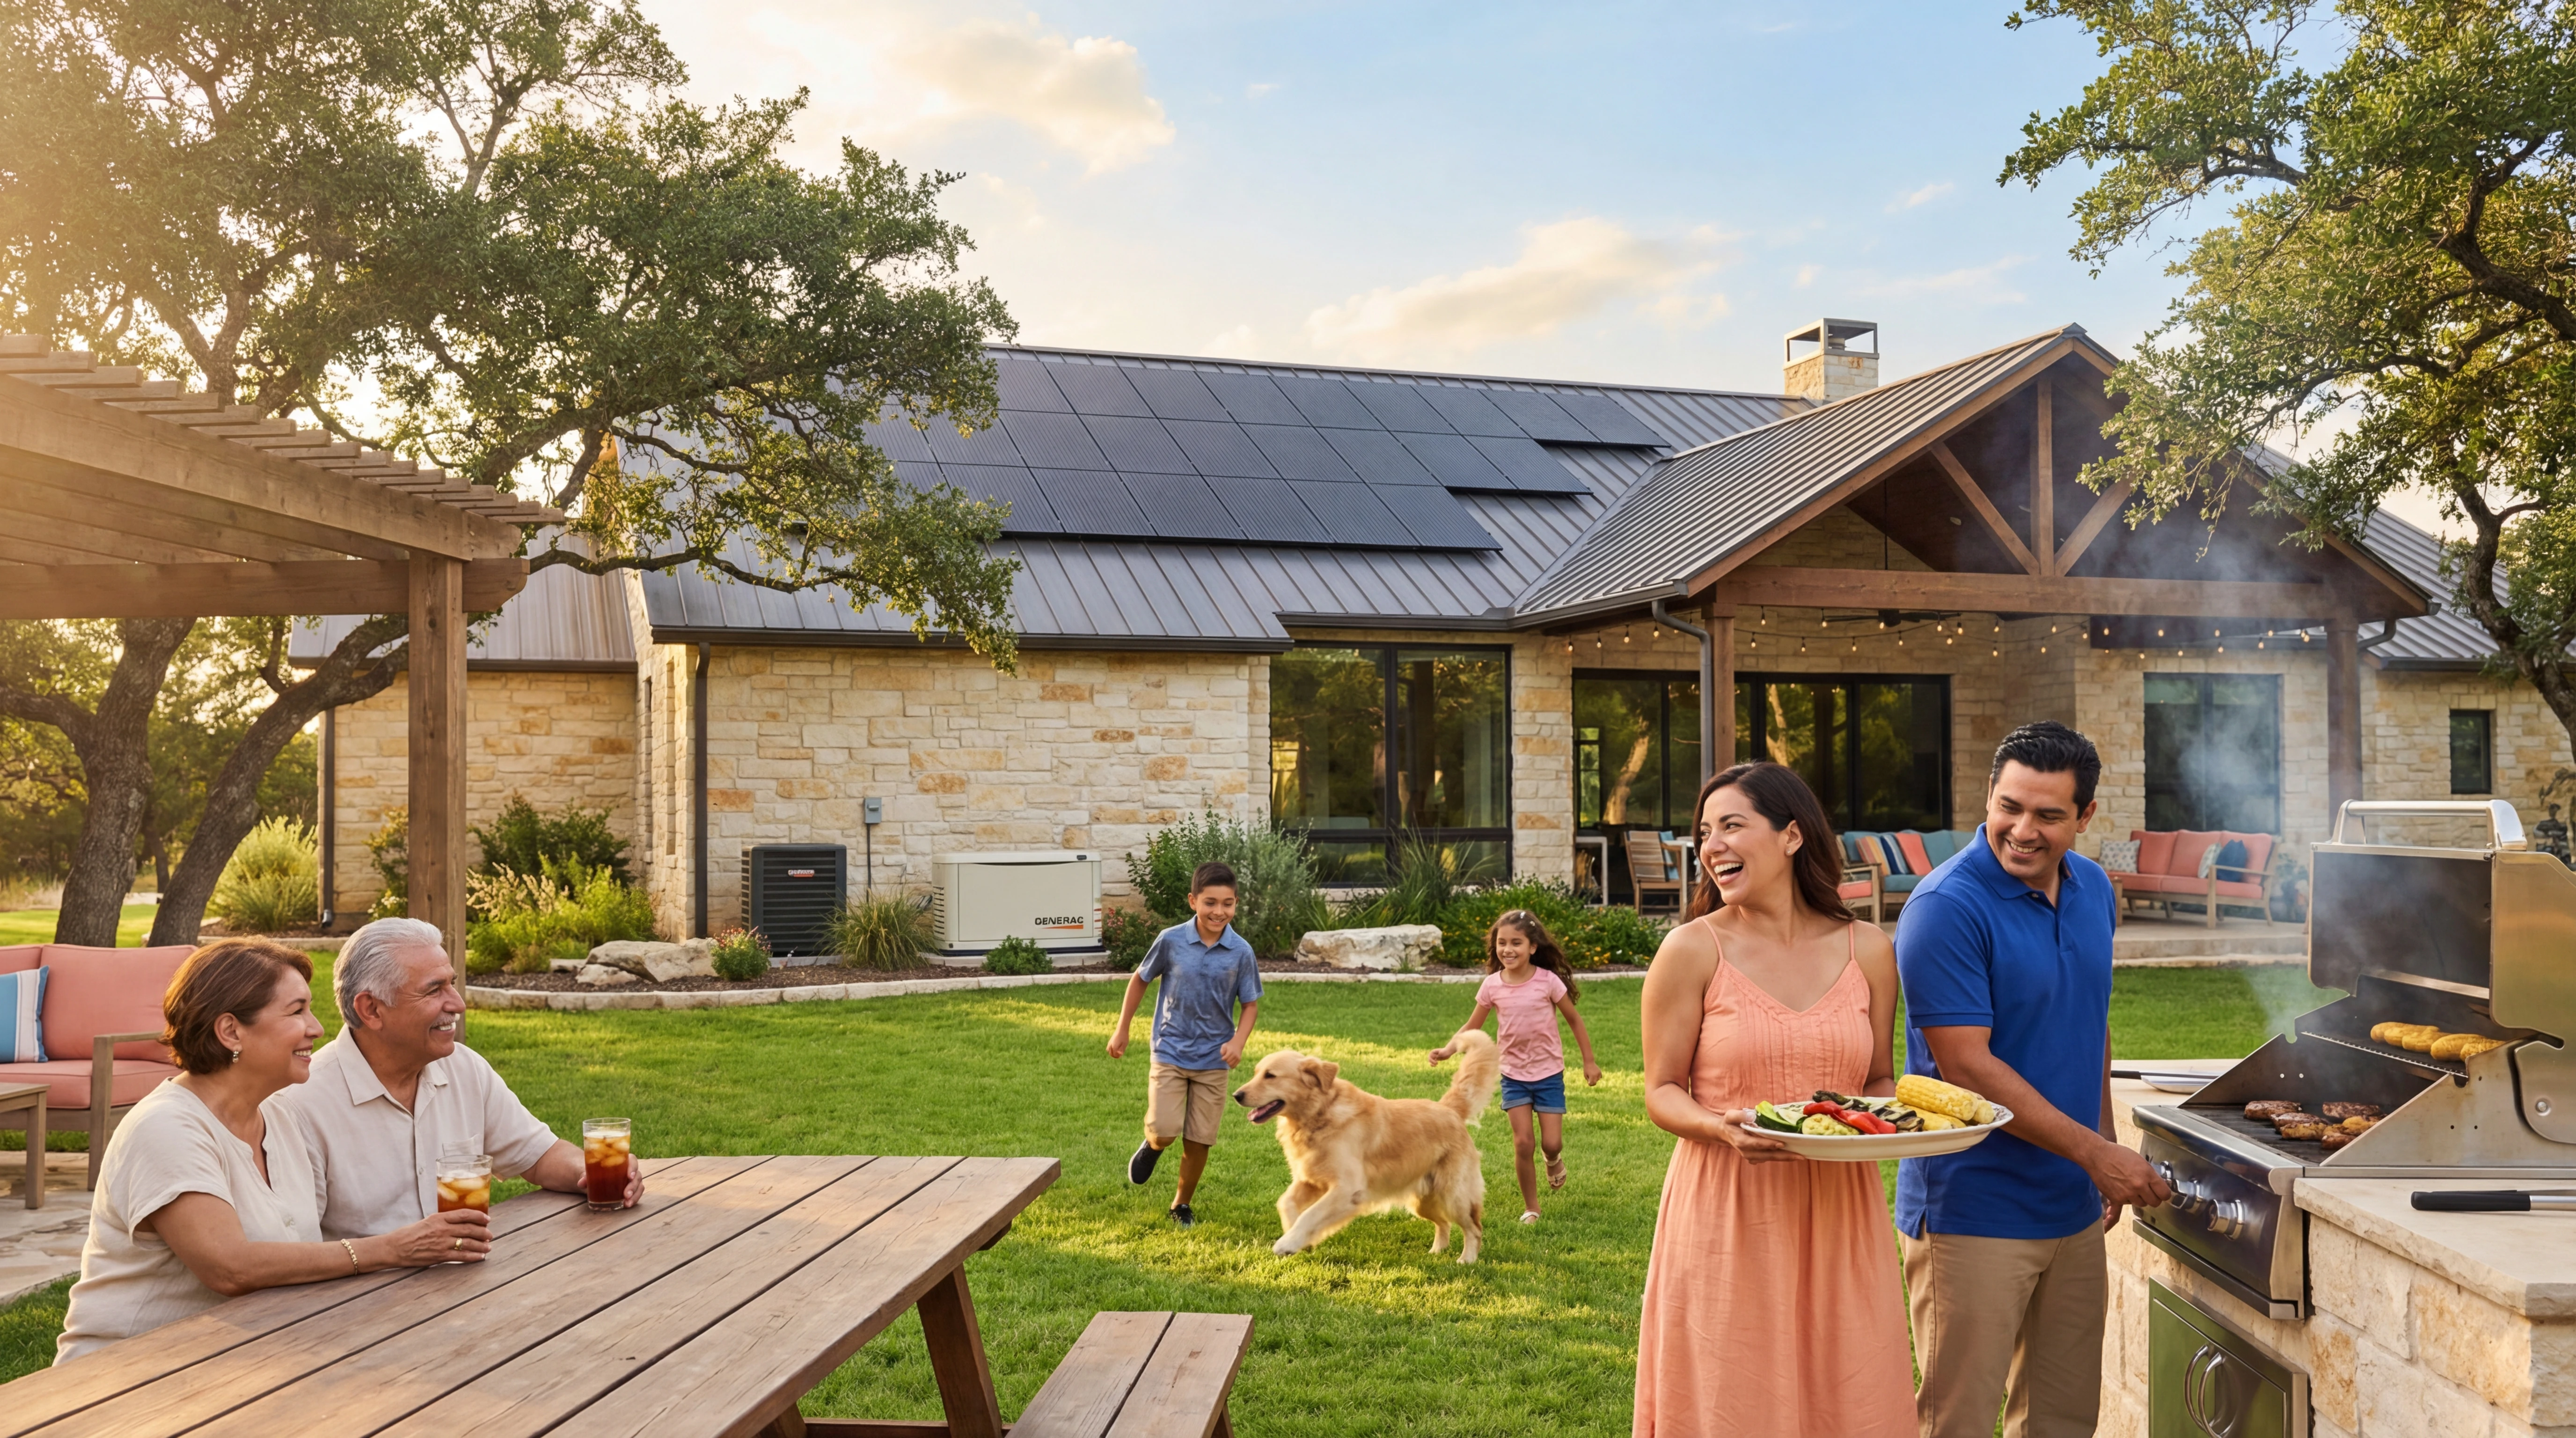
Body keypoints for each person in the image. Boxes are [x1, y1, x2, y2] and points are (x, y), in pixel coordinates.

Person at [1895, 720, 2172, 1438]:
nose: (2022, 830)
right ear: (1988, 796)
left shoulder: (2092, 892)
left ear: (2084, 817)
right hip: (1972, 1209)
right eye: (2008, 807)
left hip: (2072, 1203)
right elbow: (1968, 1066)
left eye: (2048, 815)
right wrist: (2098, 1155)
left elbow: (2091, 1022)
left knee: (2062, 1419)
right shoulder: (1944, 909)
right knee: (1955, 1421)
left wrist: (2103, 1145)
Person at [1633, 762, 1914, 1438]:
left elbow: (1878, 1078)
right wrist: (1718, 1126)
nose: (1713, 846)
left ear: (1791, 836)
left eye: (1733, 825)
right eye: (1706, 832)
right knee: (1734, 1397)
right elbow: (1661, 1092)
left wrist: (1895, 1125)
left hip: (1840, 1212)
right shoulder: (1690, 950)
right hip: (1727, 1210)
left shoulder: (1870, 950)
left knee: (1848, 1395)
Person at [57, 939, 489, 1363]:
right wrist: (392, 1249)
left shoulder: (279, 1114)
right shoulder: (166, 1128)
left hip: (247, 1359)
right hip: (130, 1376)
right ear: (231, 1031)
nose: (317, 1028)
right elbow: (230, 1267)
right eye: (296, 1011)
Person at [276, 917, 641, 1241]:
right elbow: (296, 1250)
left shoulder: (463, 1068)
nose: (457, 1003)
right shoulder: (299, 1104)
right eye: (434, 990)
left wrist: (592, 1171)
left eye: (452, 984)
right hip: (359, 1304)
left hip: (468, 1285)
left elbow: (537, 1154)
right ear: (371, 1009)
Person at [1105, 861, 1262, 1228]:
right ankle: (1153, 1145)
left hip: (1214, 1059)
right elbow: (1140, 980)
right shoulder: (1171, 940)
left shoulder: (1241, 952)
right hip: (1170, 1050)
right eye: (1210, 902)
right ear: (1193, 901)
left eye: (1227, 904)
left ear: (1236, 904)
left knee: (1200, 1140)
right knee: (1165, 1128)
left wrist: (1238, 1042)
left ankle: (1181, 1205)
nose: (1218, 912)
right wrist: (1122, 1029)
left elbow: (1251, 1004)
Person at [1427, 909, 1602, 1225]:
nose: (1507, 950)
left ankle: (1553, 1160)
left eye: (1516, 943)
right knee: (1523, 1142)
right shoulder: (1492, 986)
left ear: (1533, 947)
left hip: (1548, 1073)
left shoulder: (1548, 982)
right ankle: (1532, 1207)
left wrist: (1589, 1061)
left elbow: (1574, 1020)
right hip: (1513, 1075)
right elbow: (1472, 1026)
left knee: (1551, 1142)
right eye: (1502, 943)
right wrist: (1449, 1050)